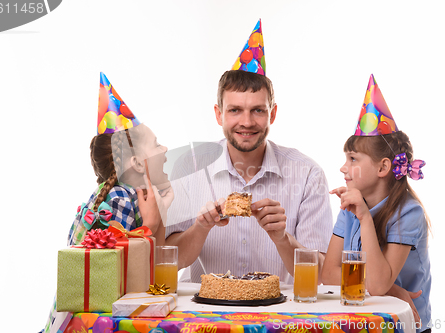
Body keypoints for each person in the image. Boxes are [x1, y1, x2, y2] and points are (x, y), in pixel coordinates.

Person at [165, 19, 333, 284]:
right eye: (235, 110)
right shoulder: (189, 167)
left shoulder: (308, 174)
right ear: (219, 114)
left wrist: (282, 238)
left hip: (278, 315)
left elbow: (322, 273)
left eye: (258, 110)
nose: (246, 122)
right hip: (206, 312)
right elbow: (169, 260)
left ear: (272, 114)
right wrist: (201, 227)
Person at [43, 73, 173, 333]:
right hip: (86, 324)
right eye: (157, 145)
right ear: (136, 163)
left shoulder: (122, 194)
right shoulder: (119, 200)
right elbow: (129, 282)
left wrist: (161, 214)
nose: (166, 149)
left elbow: (151, 271)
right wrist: (150, 223)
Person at [321, 74, 431, 333]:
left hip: (402, 326)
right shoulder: (351, 205)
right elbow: (328, 274)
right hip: (361, 322)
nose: (343, 167)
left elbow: (378, 284)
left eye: (353, 159)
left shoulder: (408, 212)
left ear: (383, 167)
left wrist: (364, 217)